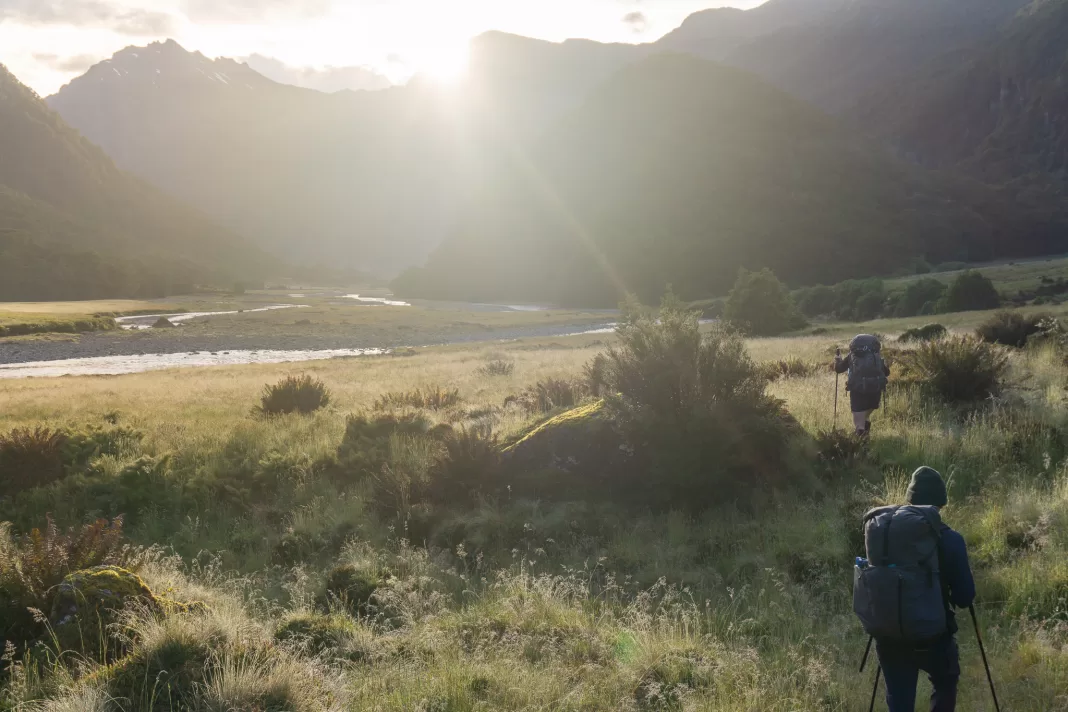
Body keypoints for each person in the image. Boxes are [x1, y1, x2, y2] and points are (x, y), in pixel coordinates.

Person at [876, 466, 976, 712]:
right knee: (945, 682)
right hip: (933, 637)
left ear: (910, 500)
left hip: (890, 634)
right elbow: (965, 597)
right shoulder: (951, 539)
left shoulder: (886, 533)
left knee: (899, 699)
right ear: (940, 504)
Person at [834, 334, 891, 436]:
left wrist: (838, 360)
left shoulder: (851, 356)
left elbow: (839, 369)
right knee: (865, 417)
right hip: (875, 391)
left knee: (859, 425)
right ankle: (865, 438)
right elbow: (887, 373)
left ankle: (861, 447)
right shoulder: (876, 356)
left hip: (858, 392)